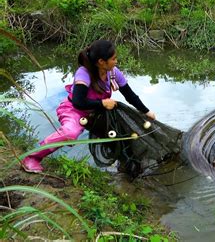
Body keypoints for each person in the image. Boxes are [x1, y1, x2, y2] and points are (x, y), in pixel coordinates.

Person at [21, 40, 156, 173]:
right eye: (113, 59)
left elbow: (129, 95)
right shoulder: (84, 73)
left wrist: (146, 111)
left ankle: (125, 166)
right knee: (70, 133)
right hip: (74, 110)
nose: (116, 61)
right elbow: (78, 102)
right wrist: (102, 103)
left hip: (97, 113)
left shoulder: (113, 72)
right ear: (101, 62)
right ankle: (31, 158)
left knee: (122, 134)